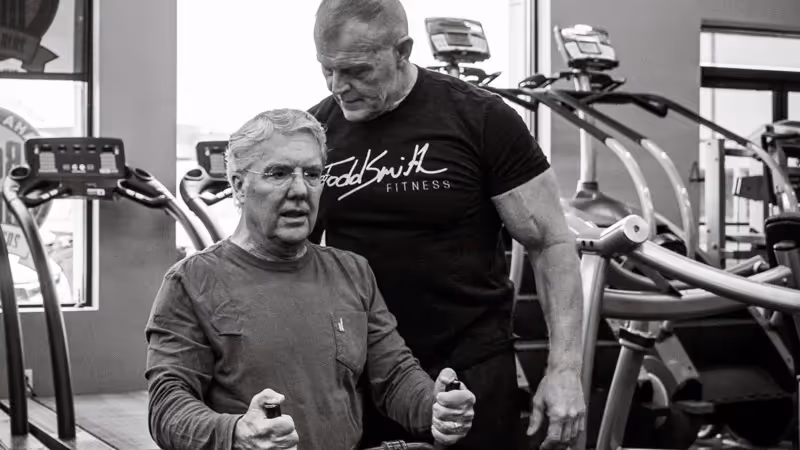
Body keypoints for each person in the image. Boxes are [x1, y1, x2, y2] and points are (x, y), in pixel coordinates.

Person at [307, 1, 585, 449]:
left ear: (402, 51)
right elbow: (290, 258)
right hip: (362, 372)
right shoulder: (318, 130)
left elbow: (551, 242)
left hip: (468, 369)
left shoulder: (480, 118)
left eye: (357, 70)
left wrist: (565, 370)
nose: (340, 87)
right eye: (327, 70)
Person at [144, 109, 477, 450]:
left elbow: (394, 376)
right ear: (239, 186)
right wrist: (237, 433)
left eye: (313, 174)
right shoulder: (190, 282)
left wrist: (434, 405)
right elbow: (167, 407)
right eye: (279, 173)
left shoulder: (352, 271)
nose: (301, 190)